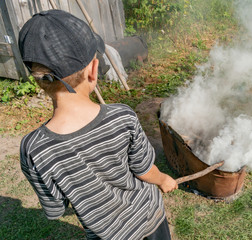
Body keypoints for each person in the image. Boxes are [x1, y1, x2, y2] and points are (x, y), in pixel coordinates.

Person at [18, 9, 178, 240]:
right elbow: (144, 170)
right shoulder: (122, 116)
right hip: (150, 220)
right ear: (93, 71)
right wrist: (163, 179)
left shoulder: (34, 149)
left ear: (41, 81)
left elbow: (56, 209)